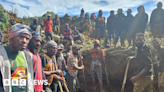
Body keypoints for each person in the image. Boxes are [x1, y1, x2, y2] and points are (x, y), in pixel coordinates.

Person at [0, 23, 34, 92]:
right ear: (11, 37)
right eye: (21, 36)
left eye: (27, 38)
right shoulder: (1, 54)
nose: (24, 41)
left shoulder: (28, 57)